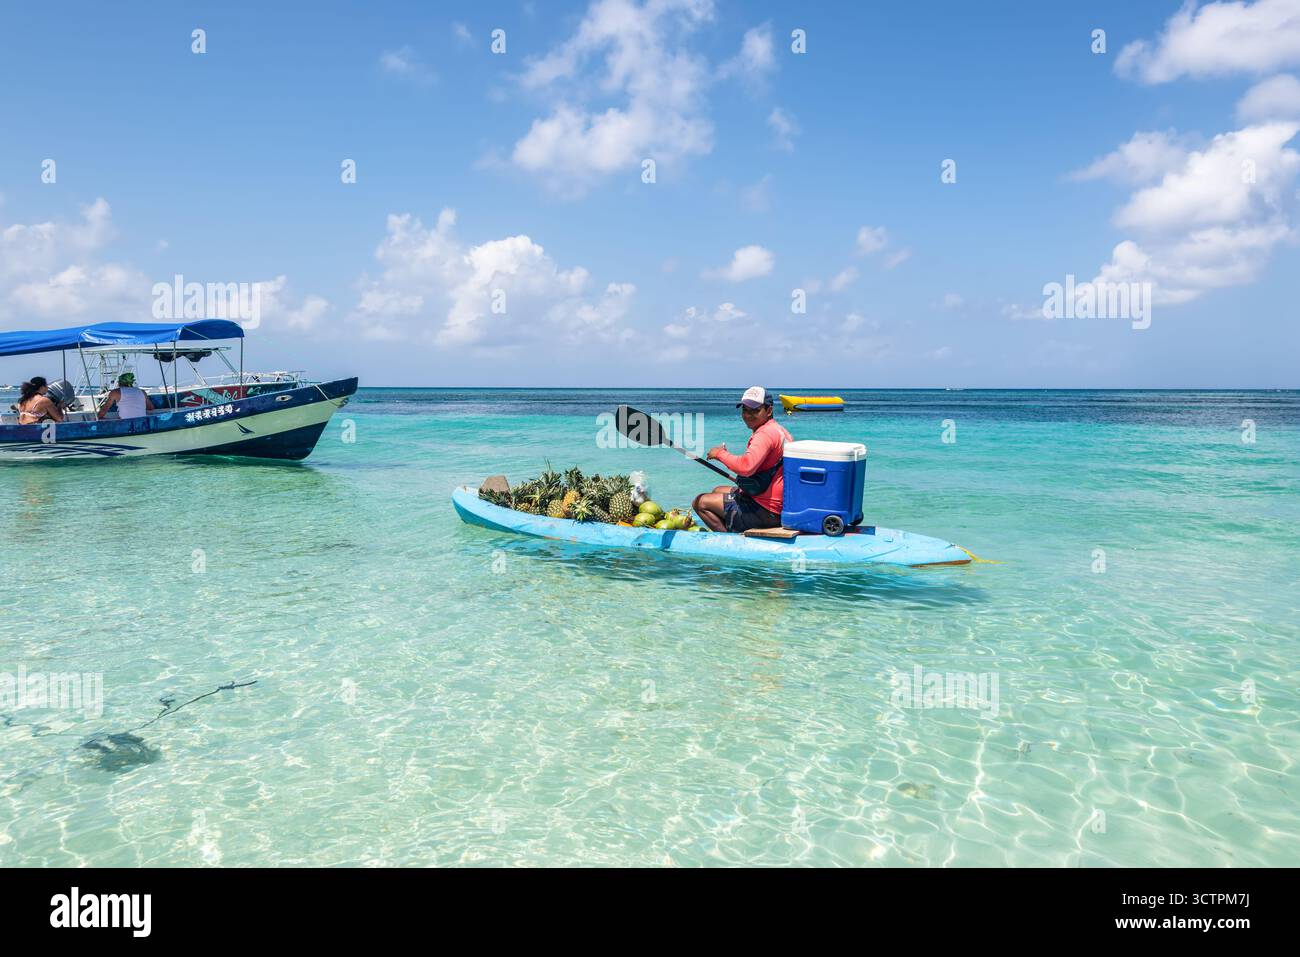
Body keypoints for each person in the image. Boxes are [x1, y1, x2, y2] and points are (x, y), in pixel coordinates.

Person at [692, 386, 793, 533]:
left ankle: (727, 540)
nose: (748, 415)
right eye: (745, 410)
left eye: (755, 410)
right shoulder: (779, 430)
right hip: (776, 503)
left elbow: (746, 467)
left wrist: (720, 454)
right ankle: (732, 522)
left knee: (700, 502)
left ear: (769, 410)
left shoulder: (765, 434)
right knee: (717, 490)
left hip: (766, 512)